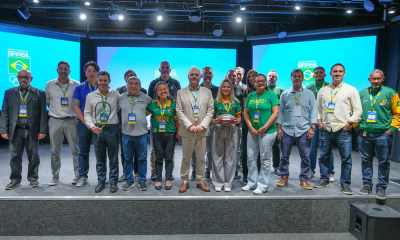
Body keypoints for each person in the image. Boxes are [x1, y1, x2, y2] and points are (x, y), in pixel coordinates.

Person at [314, 63, 362, 195]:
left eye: (340, 71)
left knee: (346, 158)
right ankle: (324, 179)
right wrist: (319, 121)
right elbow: (319, 109)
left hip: (343, 129)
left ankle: (345, 184)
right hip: (325, 128)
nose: (337, 73)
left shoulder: (351, 89)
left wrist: (350, 123)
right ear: (330, 74)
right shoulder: (323, 90)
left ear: (344, 74)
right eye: (335, 71)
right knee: (324, 156)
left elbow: (358, 110)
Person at [356, 69, 400, 200]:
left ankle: (381, 187)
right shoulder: (363, 93)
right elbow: (355, 111)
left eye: (378, 79)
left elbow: (398, 112)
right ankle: (367, 185)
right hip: (364, 133)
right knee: (365, 161)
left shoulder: (390, 93)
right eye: (373, 79)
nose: (376, 81)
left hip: (383, 134)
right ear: (369, 79)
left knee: (384, 162)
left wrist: (391, 130)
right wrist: (356, 127)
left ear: (383, 79)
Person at [0, 69, 47, 190]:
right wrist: (3, 130)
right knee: (15, 156)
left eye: (26, 77)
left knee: (34, 156)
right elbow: (4, 112)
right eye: (21, 77)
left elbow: (43, 113)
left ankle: (33, 178)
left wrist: (42, 130)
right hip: (15, 130)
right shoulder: (9, 93)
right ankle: (15, 180)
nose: (23, 79)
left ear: (31, 79)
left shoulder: (40, 93)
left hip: (32, 130)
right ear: (17, 78)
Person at [276, 69, 317, 190]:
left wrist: (312, 127)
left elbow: (314, 111)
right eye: (295, 76)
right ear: (291, 78)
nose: (297, 78)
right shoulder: (285, 94)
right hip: (287, 129)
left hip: (304, 129)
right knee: (284, 156)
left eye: (299, 76)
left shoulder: (309, 94)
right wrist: (279, 128)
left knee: (305, 156)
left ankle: (303, 179)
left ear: (303, 78)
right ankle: (284, 176)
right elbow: (280, 112)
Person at [176, 67, 214, 193]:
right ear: (188, 77)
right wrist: (190, 126)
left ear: (200, 77)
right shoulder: (181, 92)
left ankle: (200, 180)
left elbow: (210, 110)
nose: (194, 76)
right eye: (191, 74)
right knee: (186, 157)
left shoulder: (207, 92)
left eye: (196, 75)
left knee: (201, 158)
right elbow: (179, 111)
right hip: (188, 131)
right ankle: (185, 180)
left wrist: (202, 125)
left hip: (202, 130)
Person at [242, 74, 279, 194]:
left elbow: (276, 113)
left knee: (265, 158)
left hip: (267, 131)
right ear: (254, 83)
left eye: (263, 81)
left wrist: (264, 127)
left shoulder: (271, 95)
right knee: (251, 158)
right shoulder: (251, 95)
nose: (261, 83)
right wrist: (251, 127)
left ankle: (263, 185)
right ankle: (252, 183)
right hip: (252, 131)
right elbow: (246, 113)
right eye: (258, 81)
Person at [45, 61, 80, 186]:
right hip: (55, 120)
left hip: (72, 120)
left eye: (66, 69)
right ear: (57, 70)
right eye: (61, 69)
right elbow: (48, 102)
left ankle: (78, 175)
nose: (63, 71)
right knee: (55, 151)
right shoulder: (49, 84)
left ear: (69, 71)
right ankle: (55, 176)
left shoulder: (76, 84)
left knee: (76, 150)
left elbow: (79, 103)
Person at [84, 71, 120, 193]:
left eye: (105, 80)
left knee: (113, 158)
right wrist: (92, 126)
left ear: (109, 81)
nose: (103, 83)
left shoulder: (116, 94)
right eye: (101, 80)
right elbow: (87, 114)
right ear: (97, 81)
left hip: (112, 129)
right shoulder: (90, 96)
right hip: (97, 129)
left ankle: (114, 182)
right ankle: (101, 181)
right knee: (100, 158)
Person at [148, 61, 181, 181]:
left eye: (167, 68)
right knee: (154, 149)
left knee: (169, 150)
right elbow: (149, 100)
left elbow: (179, 99)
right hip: (156, 119)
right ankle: (154, 172)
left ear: (170, 70)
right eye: (163, 67)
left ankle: (169, 173)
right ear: (159, 69)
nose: (165, 69)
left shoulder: (175, 83)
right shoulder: (153, 83)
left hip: (170, 119)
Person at [119, 76, 152, 191]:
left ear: (140, 86)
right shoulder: (120, 98)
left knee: (142, 159)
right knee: (127, 159)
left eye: (136, 84)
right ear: (127, 85)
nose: (133, 86)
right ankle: (129, 180)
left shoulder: (146, 98)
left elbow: (154, 108)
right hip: (126, 134)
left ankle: (142, 180)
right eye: (131, 83)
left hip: (142, 134)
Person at [73, 60, 100, 187]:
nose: (91, 73)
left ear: (97, 72)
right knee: (83, 151)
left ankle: (102, 176)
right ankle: (83, 176)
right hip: (84, 124)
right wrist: (86, 123)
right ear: (85, 72)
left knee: (100, 150)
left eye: (94, 71)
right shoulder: (79, 88)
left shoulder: (103, 86)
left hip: (99, 124)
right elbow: (76, 106)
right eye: (89, 71)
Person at [211, 79, 241, 192]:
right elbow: (212, 118)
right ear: (220, 88)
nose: (226, 89)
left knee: (230, 156)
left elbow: (239, 119)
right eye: (224, 86)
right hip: (218, 129)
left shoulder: (236, 102)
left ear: (231, 89)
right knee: (217, 155)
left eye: (228, 87)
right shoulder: (216, 101)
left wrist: (235, 121)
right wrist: (216, 121)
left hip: (231, 129)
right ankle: (218, 182)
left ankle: (228, 182)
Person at [306, 67, 335, 182]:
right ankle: (311, 170)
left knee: (327, 148)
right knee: (312, 148)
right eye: (316, 73)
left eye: (320, 73)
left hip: (326, 121)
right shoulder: (309, 88)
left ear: (325, 75)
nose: (318, 74)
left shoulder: (330, 87)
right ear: (313, 75)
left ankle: (330, 172)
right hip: (313, 122)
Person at [190, 66, 218, 182]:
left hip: (211, 123)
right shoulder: (195, 88)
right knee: (195, 149)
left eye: (209, 73)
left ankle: (208, 171)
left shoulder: (218, 89)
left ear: (212, 75)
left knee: (210, 149)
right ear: (201, 75)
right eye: (205, 73)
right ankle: (195, 170)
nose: (207, 75)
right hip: (197, 123)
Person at [226, 69, 246, 179]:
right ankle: (225, 169)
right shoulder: (223, 88)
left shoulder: (241, 89)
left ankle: (236, 170)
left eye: (234, 76)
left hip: (237, 124)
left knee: (237, 149)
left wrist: (239, 119)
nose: (232, 77)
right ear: (226, 76)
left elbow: (243, 108)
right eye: (230, 75)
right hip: (223, 124)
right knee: (224, 148)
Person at [267, 69, 285, 176]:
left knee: (276, 146)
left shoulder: (280, 90)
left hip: (276, 122)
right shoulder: (263, 89)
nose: (271, 77)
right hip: (263, 121)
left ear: (277, 78)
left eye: (273, 76)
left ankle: (276, 166)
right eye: (269, 76)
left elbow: (284, 106)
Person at [243, 69, 259, 182]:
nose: (252, 78)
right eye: (250, 76)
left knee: (261, 151)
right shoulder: (247, 91)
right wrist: (250, 125)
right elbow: (245, 111)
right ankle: (246, 174)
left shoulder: (266, 91)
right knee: (247, 150)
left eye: (254, 76)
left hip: (262, 125)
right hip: (248, 124)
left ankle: (259, 174)